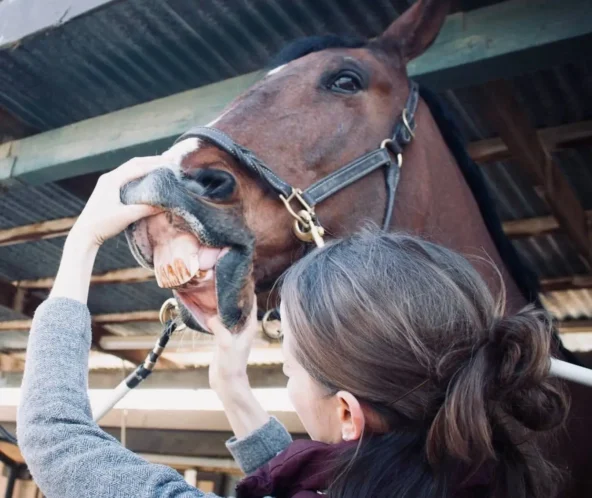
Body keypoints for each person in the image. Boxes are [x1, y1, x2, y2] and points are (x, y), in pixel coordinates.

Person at [17, 159, 567, 498]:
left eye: (290, 364)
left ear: (347, 414)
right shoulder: (488, 475)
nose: (284, 364)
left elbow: (53, 436)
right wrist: (231, 384)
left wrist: (83, 240)